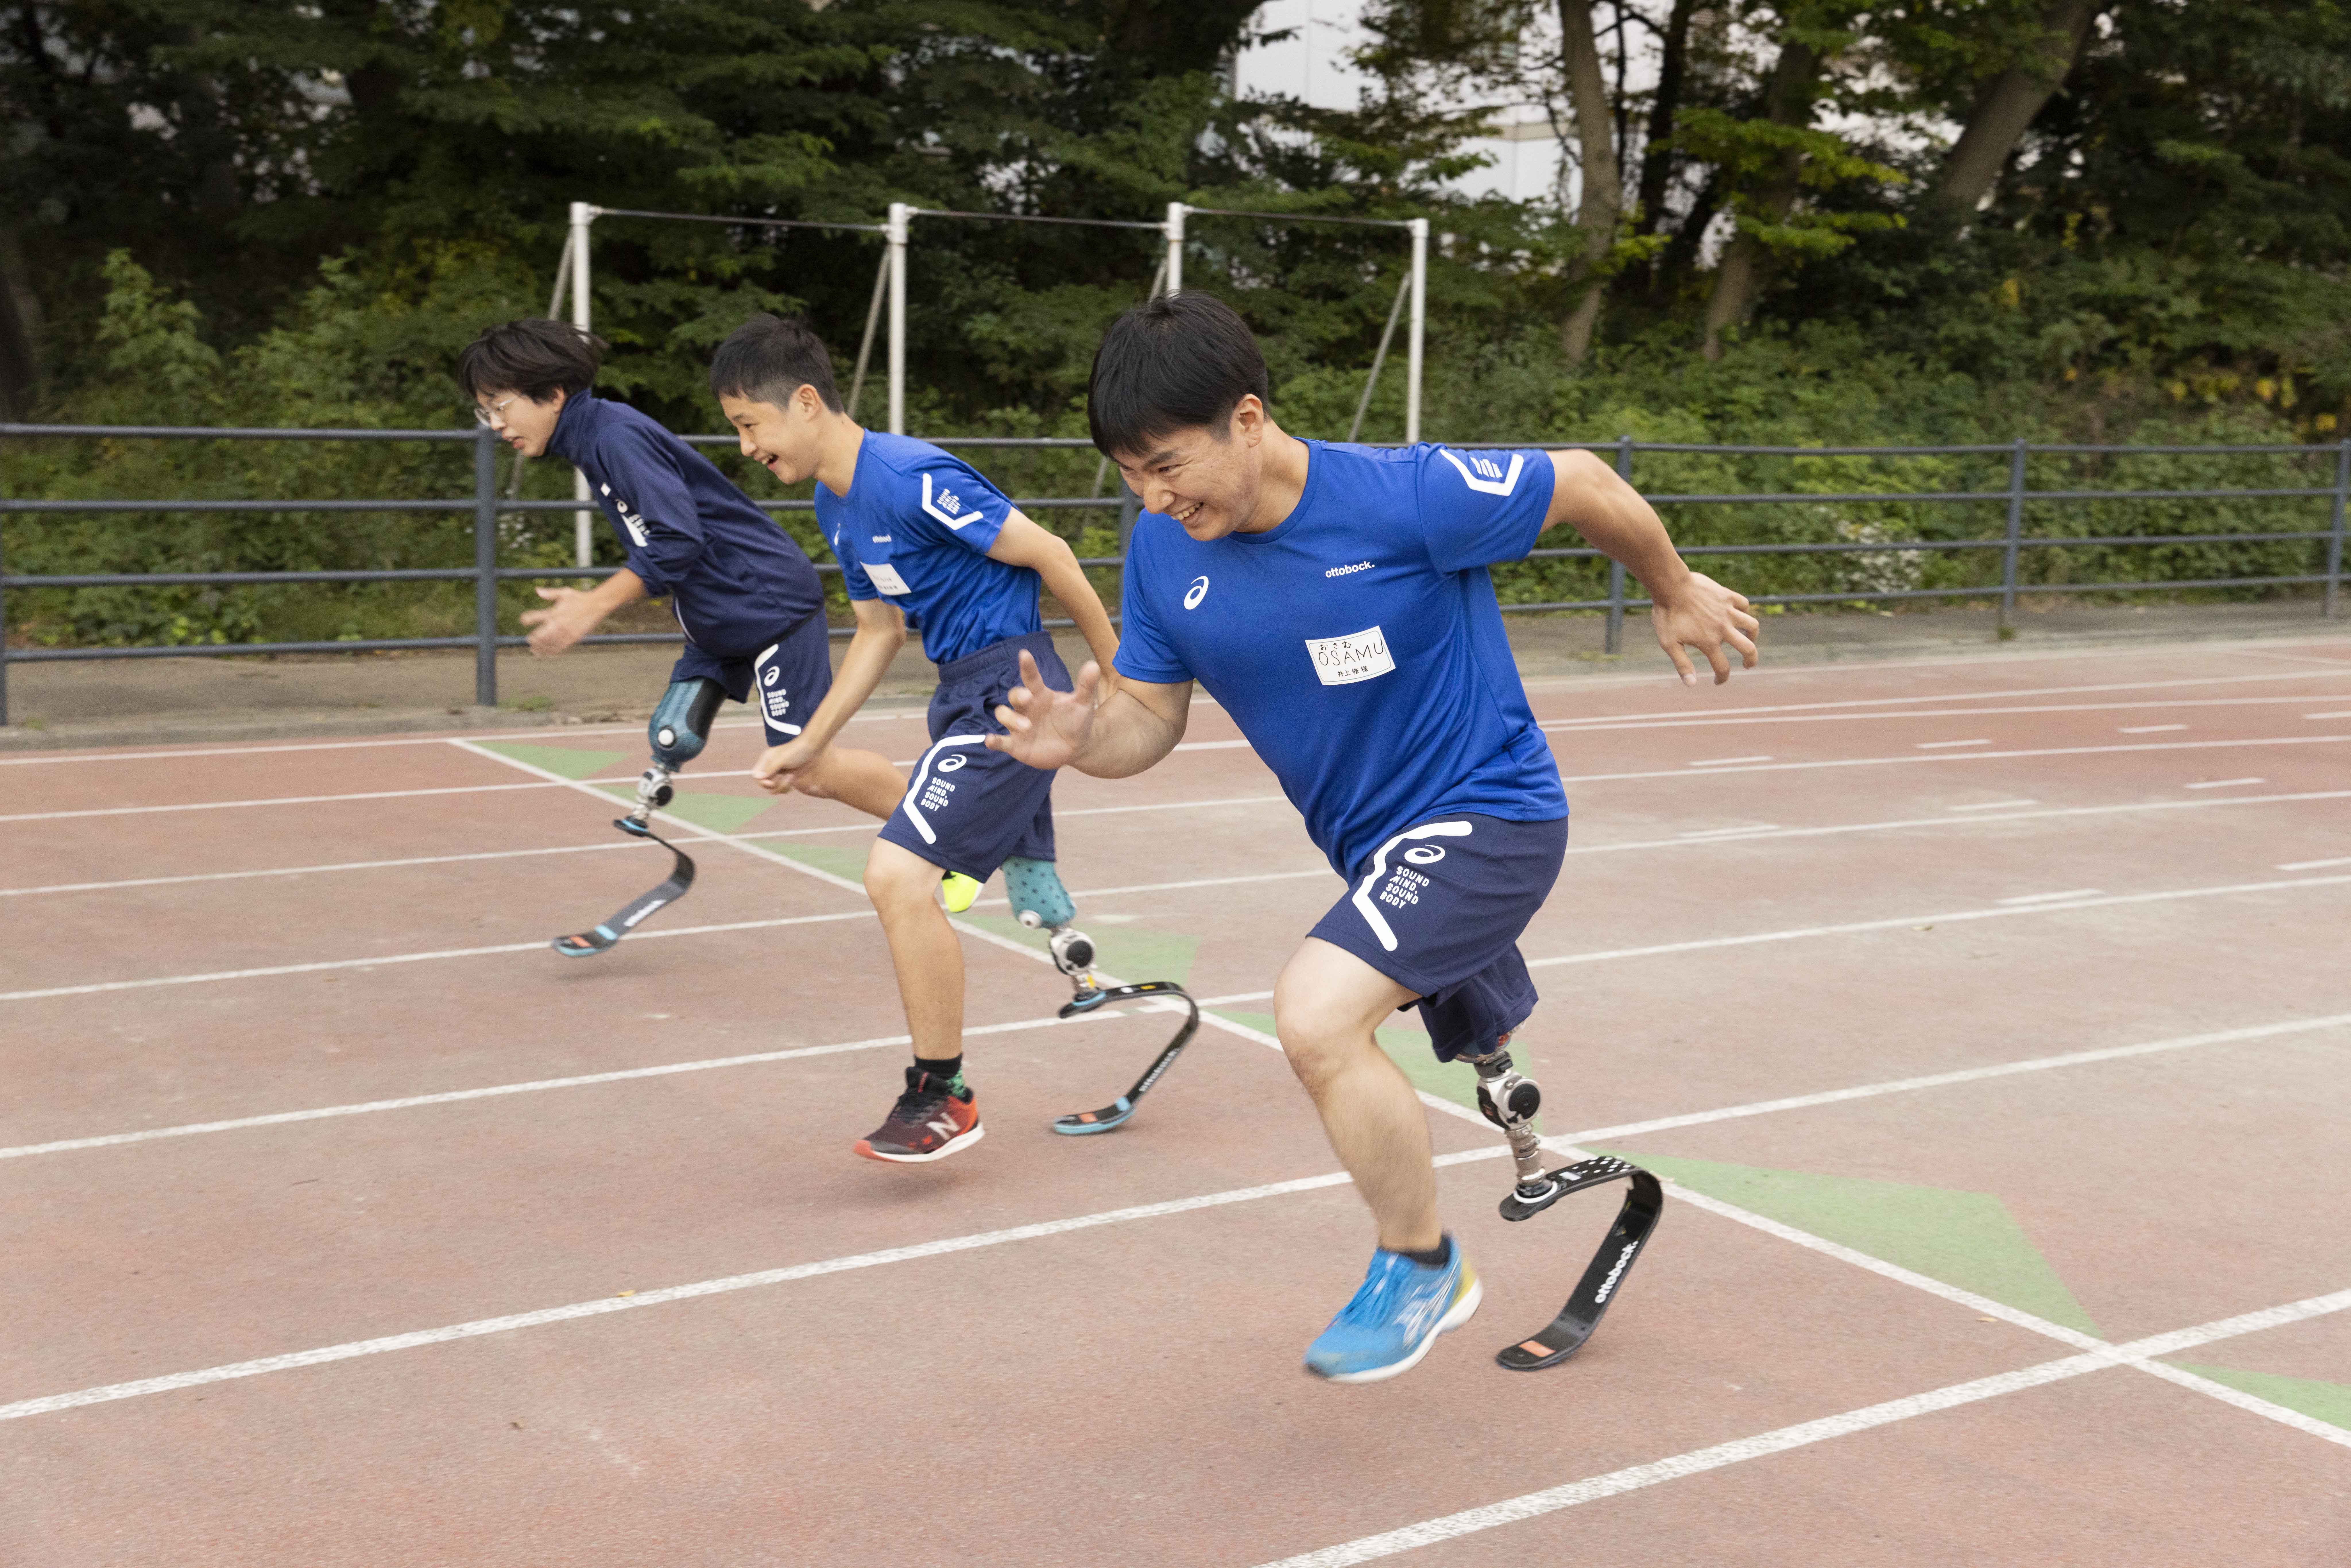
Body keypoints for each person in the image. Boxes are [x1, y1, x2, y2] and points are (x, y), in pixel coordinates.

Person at [989, 292, 1760, 1382]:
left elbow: (1584, 480)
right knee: (1346, 1018)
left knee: (1312, 1015)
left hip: (1493, 813)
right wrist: (1081, 739)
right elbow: (1149, 720)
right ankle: (1443, 1210)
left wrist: (1672, 588)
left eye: (1169, 465)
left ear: (1247, 420)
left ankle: (1422, 1264)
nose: (1153, 497)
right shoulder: (1165, 554)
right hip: (1379, 853)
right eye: (1130, 475)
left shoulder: (1405, 496)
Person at [709, 313, 1124, 1164]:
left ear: (806, 402)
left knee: (895, 874)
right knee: (851, 802)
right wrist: (808, 740)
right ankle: (1010, 847)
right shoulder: (835, 501)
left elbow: (1053, 556)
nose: (746, 446)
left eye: (750, 424)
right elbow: (876, 631)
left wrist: (1125, 683)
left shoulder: (911, 477)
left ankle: (943, 1095)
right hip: (957, 694)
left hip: (1011, 692)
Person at [456, 320, 905, 855]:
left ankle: (938, 824)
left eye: (500, 406)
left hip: (768, 605)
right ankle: (654, 787)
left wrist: (595, 605)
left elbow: (677, 539)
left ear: (552, 395)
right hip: (718, 615)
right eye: (485, 412)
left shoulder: (612, 436)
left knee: (807, 767)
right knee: (673, 732)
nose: (495, 424)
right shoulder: (591, 440)